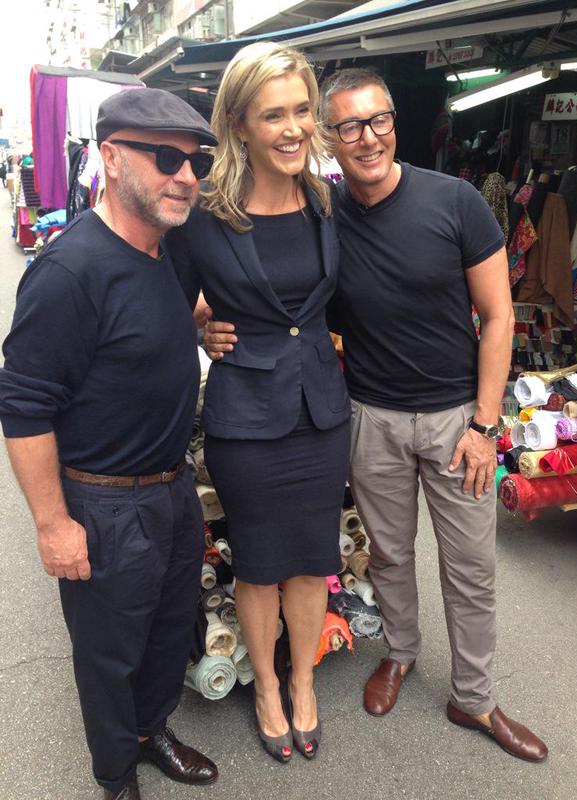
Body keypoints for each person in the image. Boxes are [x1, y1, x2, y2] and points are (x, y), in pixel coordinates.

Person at [204, 67, 548, 763]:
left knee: (471, 567)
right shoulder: (323, 210)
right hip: (367, 415)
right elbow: (267, 285)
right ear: (329, 137)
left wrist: (486, 425)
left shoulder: (455, 201)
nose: (367, 138)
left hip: (456, 419)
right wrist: (209, 323)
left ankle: (476, 697)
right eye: (349, 126)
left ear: (396, 122)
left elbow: (499, 316)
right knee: (388, 555)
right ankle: (400, 653)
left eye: (378, 120)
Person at [0, 88, 220, 799]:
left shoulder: (166, 251)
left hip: (171, 490)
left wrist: (205, 325)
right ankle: (115, 776)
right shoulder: (69, 271)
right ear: (111, 158)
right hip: (104, 506)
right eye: (165, 158)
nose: (184, 176)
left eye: (196, 163)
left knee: (168, 632)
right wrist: (52, 524)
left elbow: (149, 326)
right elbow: (24, 407)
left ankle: (151, 731)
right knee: (109, 655)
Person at [166, 41, 350, 764]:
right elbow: (166, 304)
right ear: (239, 124)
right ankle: (267, 687)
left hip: (320, 411)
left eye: (303, 110)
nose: (293, 128)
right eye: (274, 114)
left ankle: (303, 681)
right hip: (244, 414)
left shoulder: (326, 202)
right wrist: (200, 326)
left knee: (311, 558)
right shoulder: (205, 214)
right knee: (258, 563)